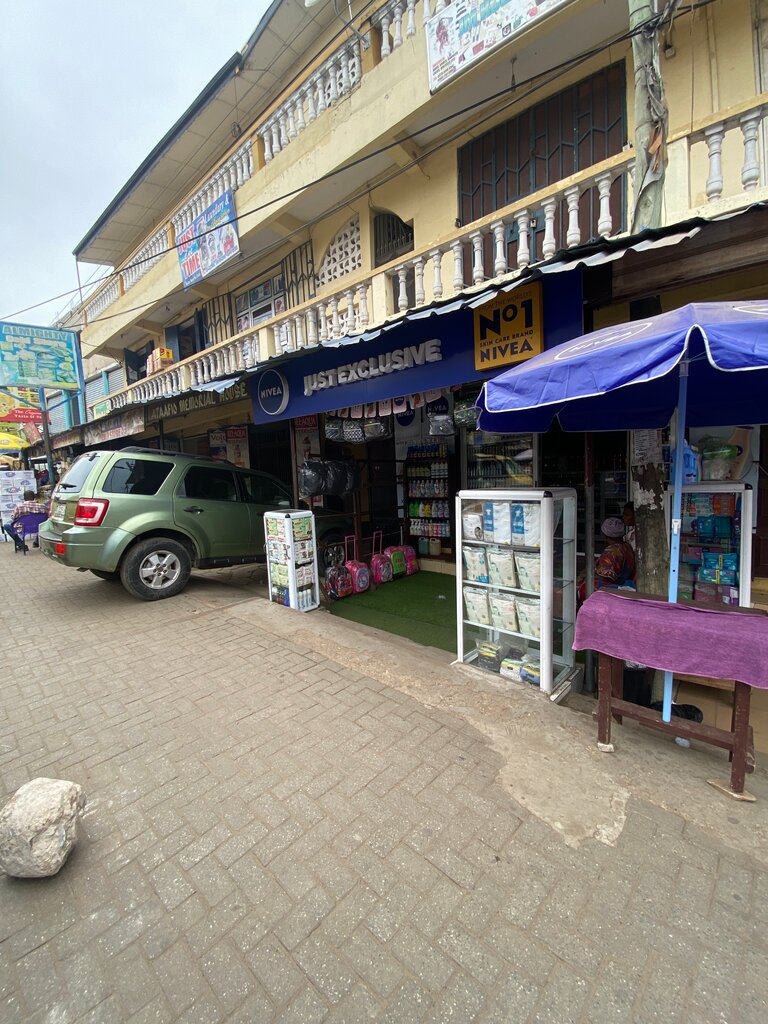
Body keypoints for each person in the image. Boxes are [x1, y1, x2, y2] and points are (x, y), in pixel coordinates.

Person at [578, 516, 637, 604]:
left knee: (585, 587)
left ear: (605, 535)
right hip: (624, 582)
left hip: (617, 587)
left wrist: (585, 577)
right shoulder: (626, 547)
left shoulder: (612, 552)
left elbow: (604, 575)